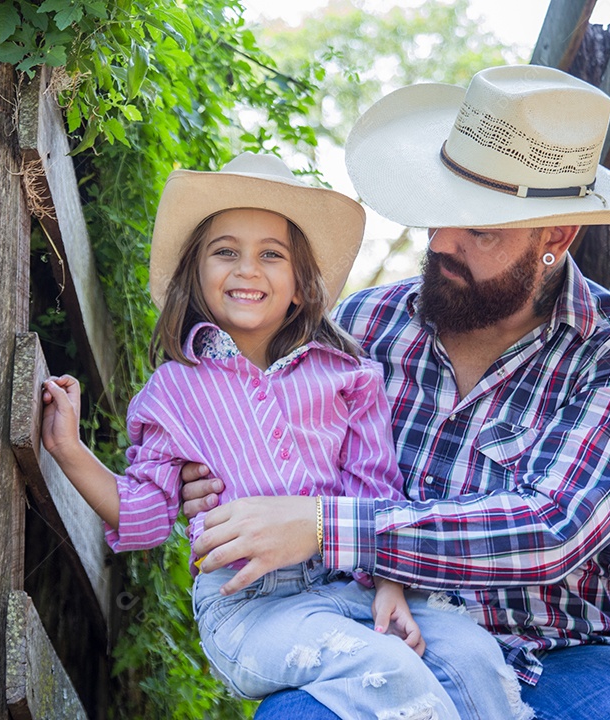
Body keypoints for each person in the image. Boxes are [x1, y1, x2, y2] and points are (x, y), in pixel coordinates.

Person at [181, 66, 610, 719]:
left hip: (564, 656)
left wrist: (322, 526)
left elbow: (551, 531)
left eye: (481, 231)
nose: (446, 246)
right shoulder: (364, 327)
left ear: (555, 239)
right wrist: (218, 487)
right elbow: (272, 451)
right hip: (375, 633)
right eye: (443, 214)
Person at [40, 152, 531, 719]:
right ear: (197, 275)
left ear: (300, 286)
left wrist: (392, 584)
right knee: (387, 667)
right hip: (251, 608)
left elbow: (375, 488)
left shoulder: (347, 377)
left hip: (355, 585)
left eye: (271, 255)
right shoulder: (174, 391)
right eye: (225, 252)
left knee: (469, 653)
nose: (247, 269)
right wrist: (69, 451)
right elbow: (146, 512)